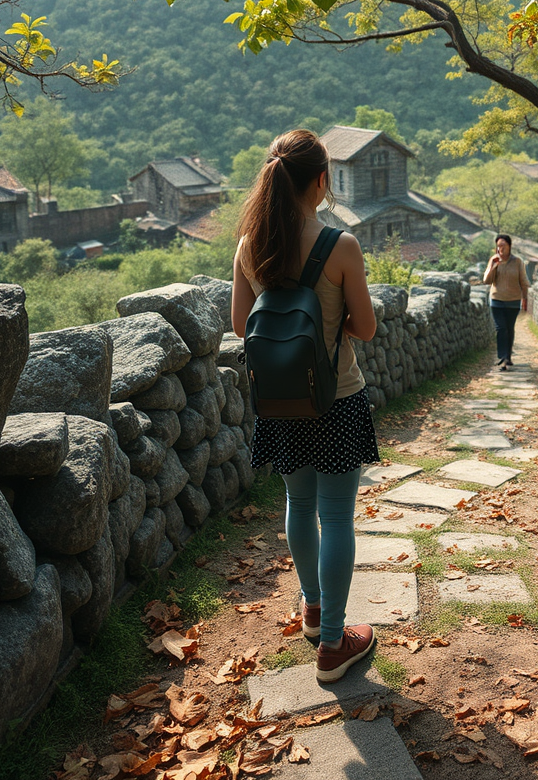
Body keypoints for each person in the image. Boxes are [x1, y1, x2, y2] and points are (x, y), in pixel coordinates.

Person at [231, 129, 379, 683]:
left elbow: (240, 324)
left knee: (299, 503)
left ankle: (313, 610)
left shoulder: (251, 246)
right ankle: (335, 645)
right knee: (337, 514)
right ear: (321, 181)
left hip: (281, 402)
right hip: (337, 397)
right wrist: (327, 320)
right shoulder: (340, 247)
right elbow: (363, 327)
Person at [482, 233, 530, 371]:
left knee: (509, 329)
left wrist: (525, 298)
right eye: (498, 246)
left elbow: (523, 281)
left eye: (503, 245)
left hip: (513, 300)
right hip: (497, 300)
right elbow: (487, 280)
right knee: (501, 328)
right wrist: (493, 266)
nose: (500, 249)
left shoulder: (518, 262)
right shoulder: (494, 260)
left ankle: (508, 356)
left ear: (509, 246)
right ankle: (502, 358)